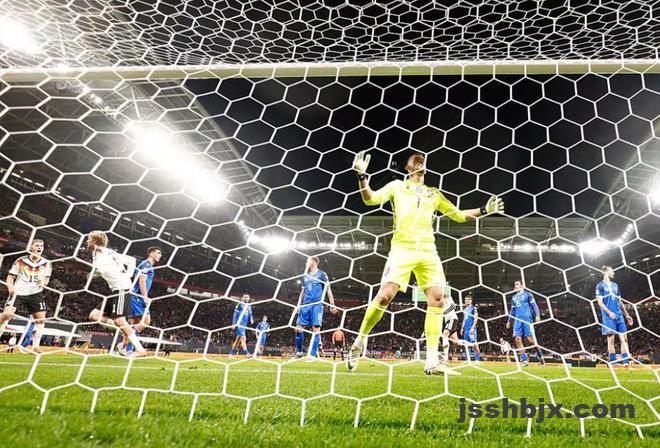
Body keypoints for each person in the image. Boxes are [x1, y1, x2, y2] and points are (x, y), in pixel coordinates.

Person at [347, 151, 504, 375]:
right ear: (408, 167)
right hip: (402, 248)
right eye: (415, 159)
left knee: (438, 298)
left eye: (423, 159)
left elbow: (458, 215)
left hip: (428, 250)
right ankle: (360, 341)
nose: (420, 161)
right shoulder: (397, 187)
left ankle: (431, 361)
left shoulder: (434, 194)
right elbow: (369, 199)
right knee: (385, 295)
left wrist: (485, 210)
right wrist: (362, 176)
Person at [86, 231, 147, 357]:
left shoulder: (98, 252)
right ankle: (125, 332)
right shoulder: (110, 252)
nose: (87, 241)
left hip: (121, 288)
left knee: (120, 320)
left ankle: (140, 349)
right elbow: (132, 260)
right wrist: (128, 275)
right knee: (94, 315)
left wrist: (91, 275)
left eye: (89, 239)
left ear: (94, 241)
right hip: (117, 289)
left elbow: (100, 269)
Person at [0, 239, 51, 353]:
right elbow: (10, 277)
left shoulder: (46, 263)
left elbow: (46, 280)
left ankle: (36, 347)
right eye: (37, 245)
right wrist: (11, 288)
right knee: (7, 315)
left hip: (35, 293)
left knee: (40, 320)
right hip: (19, 292)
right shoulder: (21, 261)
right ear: (31, 247)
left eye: (41, 245)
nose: (39, 247)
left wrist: (42, 283)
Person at [295, 256, 337, 361]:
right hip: (305, 305)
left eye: (307, 261)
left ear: (313, 262)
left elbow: (328, 289)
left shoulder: (322, 274)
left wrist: (332, 304)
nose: (306, 263)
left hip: (317, 305)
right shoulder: (305, 276)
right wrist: (298, 305)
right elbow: (302, 292)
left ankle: (312, 355)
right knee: (298, 329)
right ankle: (299, 352)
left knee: (316, 330)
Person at [121, 247, 162, 354]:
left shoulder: (146, 265)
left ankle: (125, 348)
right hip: (137, 297)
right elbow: (142, 280)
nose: (160, 255)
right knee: (146, 320)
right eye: (158, 253)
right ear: (151, 253)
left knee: (133, 323)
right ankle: (126, 345)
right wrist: (145, 297)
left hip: (133, 295)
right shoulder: (146, 264)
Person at [596, 266, 634, 366]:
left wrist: (627, 315)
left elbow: (620, 301)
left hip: (619, 315)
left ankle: (626, 362)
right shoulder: (600, 285)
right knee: (611, 339)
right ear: (605, 272)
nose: (613, 272)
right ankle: (613, 362)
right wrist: (609, 312)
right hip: (608, 316)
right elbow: (599, 302)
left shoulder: (615, 285)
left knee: (624, 338)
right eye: (612, 271)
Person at [506, 280, 545, 367]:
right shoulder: (514, 297)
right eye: (515, 284)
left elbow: (534, 305)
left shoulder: (528, 294)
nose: (516, 286)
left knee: (530, 340)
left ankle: (541, 357)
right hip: (517, 320)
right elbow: (512, 311)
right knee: (517, 339)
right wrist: (509, 321)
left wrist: (537, 315)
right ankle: (524, 361)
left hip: (527, 319)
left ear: (522, 286)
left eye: (517, 284)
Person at [460, 295, 481, 363]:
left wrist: (473, 327)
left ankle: (477, 359)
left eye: (468, 299)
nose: (467, 300)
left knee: (474, 343)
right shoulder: (465, 310)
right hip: (465, 329)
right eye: (466, 299)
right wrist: (462, 328)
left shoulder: (474, 308)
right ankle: (468, 360)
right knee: (466, 345)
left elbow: (476, 318)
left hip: (471, 329)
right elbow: (464, 320)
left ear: (471, 301)